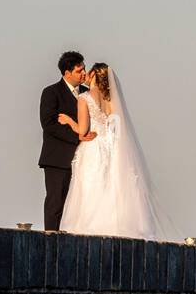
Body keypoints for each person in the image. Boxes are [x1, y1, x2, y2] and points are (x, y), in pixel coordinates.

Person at [56, 63, 166, 240]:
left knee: (90, 187)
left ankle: (90, 226)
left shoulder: (84, 98)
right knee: (109, 186)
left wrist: (69, 121)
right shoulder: (112, 100)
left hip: (93, 147)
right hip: (111, 148)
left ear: (93, 75)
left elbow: (83, 130)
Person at [38, 51, 96, 231]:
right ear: (67, 73)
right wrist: (77, 136)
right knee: (56, 201)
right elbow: (49, 124)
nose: (84, 73)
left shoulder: (89, 94)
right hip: (58, 158)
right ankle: (51, 238)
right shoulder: (51, 92)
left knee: (82, 202)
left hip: (86, 157)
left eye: (84, 69)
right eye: (79, 71)